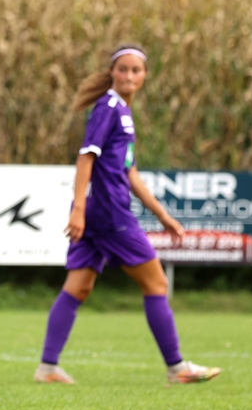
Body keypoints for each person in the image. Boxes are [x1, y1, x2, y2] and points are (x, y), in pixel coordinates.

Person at [34, 44, 221, 386]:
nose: (130, 75)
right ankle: (177, 368)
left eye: (137, 70)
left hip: (99, 212)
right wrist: (77, 211)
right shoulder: (107, 107)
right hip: (108, 212)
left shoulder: (122, 111)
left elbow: (130, 172)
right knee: (157, 283)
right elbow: (85, 158)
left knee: (78, 287)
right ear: (112, 72)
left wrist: (162, 215)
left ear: (145, 76)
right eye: (124, 69)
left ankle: (47, 368)